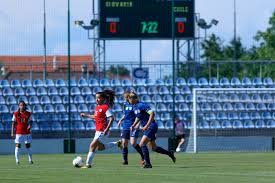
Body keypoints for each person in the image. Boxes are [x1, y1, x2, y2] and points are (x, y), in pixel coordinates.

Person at [129, 92, 176, 168]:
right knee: (154, 148)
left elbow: (152, 113)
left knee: (142, 144)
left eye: (129, 98)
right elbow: (139, 117)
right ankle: (169, 153)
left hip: (151, 126)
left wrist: (147, 125)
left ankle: (148, 164)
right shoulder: (135, 107)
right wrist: (133, 125)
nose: (129, 100)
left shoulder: (141, 105)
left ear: (133, 98)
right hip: (148, 127)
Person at [80, 90, 120, 168]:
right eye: (96, 98)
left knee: (92, 145)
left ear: (103, 99)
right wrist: (86, 115)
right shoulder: (98, 107)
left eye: (98, 98)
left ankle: (88, 164)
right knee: (100, 148)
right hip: (98, 131)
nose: (96, 99)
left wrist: (107, 129)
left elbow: (111, 118)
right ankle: (117, 143)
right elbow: (96, 117)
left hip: (103, 130)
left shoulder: (105, 107)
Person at [117, 91, 144, 165]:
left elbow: (138, 116)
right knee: (124, 143)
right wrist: (120, 120)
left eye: (126, 96)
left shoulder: (136, 105)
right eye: (124, 96)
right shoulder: (125, 104)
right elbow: (125, 114)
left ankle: (143, 155)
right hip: (125, 125)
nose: (125, 97)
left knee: (133, 143)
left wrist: (137, 125)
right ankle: (125, 161)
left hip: (134, 126)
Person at [11, 101, 33, 165]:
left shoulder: (28, 113)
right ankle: (17, 161)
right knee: (18, 145)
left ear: (25, 106)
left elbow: (31, 121)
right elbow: (13, 123)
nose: (22, 106)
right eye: (20, 105)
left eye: (23, 105)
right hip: (19, 132)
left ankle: (30, 160)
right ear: (19, 106)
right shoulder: (15, 114)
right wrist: (12, 132)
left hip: (27, 132)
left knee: (28, 146)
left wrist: (30, 126)